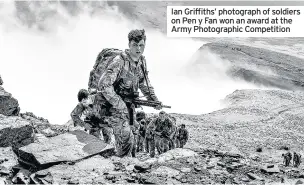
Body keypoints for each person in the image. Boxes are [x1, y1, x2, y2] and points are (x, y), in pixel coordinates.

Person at [97, 29, 161, 157]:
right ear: (129, 45)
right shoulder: (119, 61)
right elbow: (103, 84)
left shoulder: (141, 61)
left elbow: (143, 82)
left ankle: (124, 160)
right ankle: (118, 163)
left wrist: (153, 99)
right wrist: (119, 104)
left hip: (129, 106)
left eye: (141, 45)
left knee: (132, 135)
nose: (138, 49)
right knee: (126, 135)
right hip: (113, 107)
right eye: (135, 45)